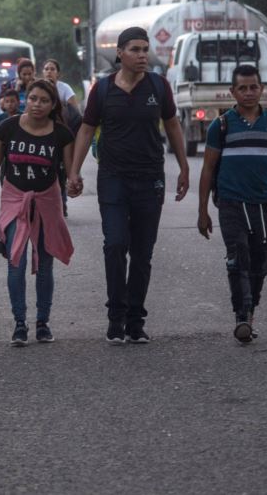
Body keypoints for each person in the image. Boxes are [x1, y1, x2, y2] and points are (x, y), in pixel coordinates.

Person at [67, 26, 189, 345]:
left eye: (145, 49)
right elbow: (85, 129)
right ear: (120, 53)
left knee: (142, 252)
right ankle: (115, 316)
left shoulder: (159, 86)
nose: (142, 55)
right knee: (116, 244)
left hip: (150, 180)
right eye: (135, 49)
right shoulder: (103, 89)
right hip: (113, 179)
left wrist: (184, 167)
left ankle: (136, 320)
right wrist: (74, 171)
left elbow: (173, 126)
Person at [197, 64, 267, 344]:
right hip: (230, 202)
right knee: (238, 255)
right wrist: (202, 210)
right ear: (232, 92)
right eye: (242, 88)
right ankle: (241, 315)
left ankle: (250, 310)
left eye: (253, 86)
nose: (249, 92)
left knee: (260, 260)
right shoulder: (222, 125)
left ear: (261, 89)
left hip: (263, 203)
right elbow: (207, 169)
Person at [0, 80, 75, 346]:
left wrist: (75, 184)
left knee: (44, 264)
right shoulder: (7, 128)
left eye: (43, 100)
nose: (36, 104)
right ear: (24, 100)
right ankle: (20, 323)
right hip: (14, 199)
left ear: (53, 105)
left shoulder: (62, 134)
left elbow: (69, 172)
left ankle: (43, 322)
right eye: (32, 99)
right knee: (15, 262)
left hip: (47, 201)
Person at [41, 59, 81, 216]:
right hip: (43, 135)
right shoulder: (40, 87)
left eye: (52, 69)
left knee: (61, 171)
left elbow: (75, 112)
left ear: (58, 73)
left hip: (61, 136)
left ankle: (61, 203)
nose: (49, 71)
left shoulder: (65, 88)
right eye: (46, 68)